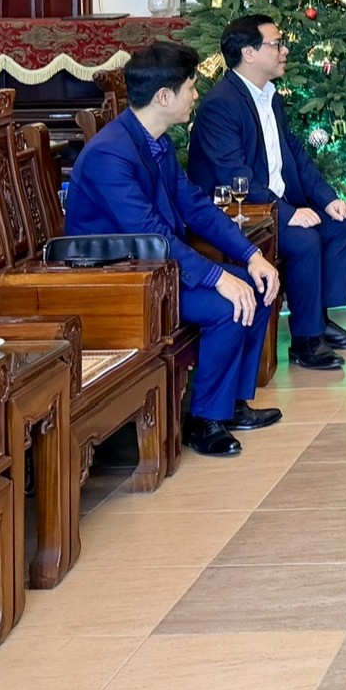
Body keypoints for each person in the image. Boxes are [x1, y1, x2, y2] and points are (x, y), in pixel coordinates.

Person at [64, 40, 283, 458]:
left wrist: (251, 256)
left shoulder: (156, 142)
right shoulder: (110, 153)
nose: (195, 95)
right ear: (164, 96)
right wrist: (218, 277)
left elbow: (196, 207)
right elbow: (149, 234)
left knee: (257, 287)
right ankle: (204, 421)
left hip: (157, 269)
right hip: (120, 281)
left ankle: (231, 405)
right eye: (191, 87)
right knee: (229, 306)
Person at [185, 13, 346, 373]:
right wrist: (286, 214)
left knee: (340, 224)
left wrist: (328, 199)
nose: (284, 50)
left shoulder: (269, 97)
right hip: (239, 212)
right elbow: (234, 176)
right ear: (249, 53)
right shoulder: (221, 104)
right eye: (276, 44)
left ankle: (318, 321)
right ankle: (305, 341)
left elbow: (295, 154)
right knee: (303, 239)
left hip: (271, 205)